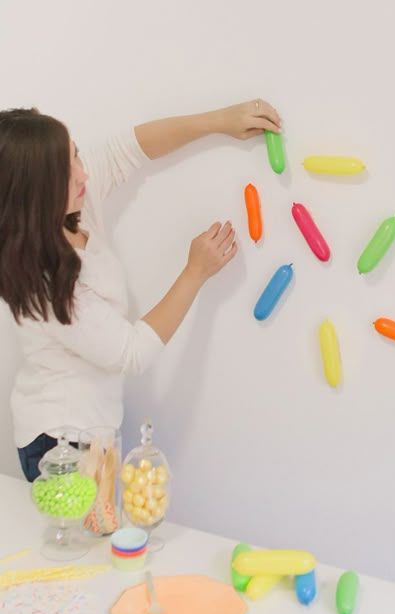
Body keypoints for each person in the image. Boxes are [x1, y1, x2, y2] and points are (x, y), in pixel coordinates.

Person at [0, 99, 281, 481]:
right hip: (60, 445)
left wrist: (218, 120)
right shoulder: (47, 282)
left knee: (102, 537)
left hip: (91, 431)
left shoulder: (74, 209)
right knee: (83, 540)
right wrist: (195, 272)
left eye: (77, 156)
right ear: (35, 195)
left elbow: (128, 149)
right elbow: (131, 352)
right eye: (67, 173)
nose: (83, 175)